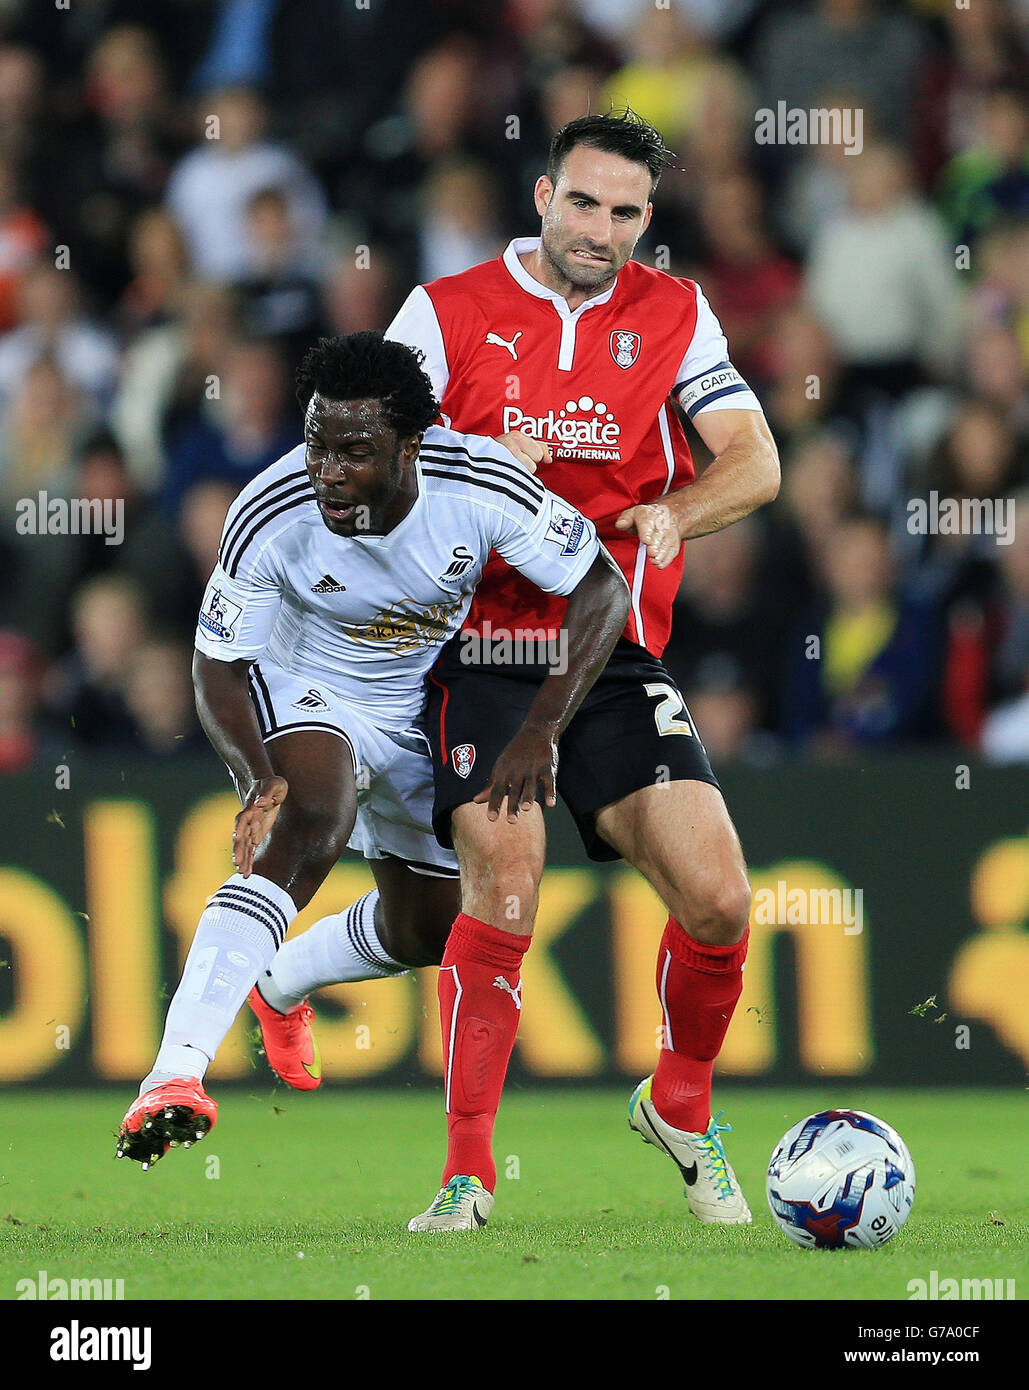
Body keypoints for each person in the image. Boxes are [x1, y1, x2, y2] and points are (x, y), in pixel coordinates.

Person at [268, 111, 780, 1232]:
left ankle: (681, 1105)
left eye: (628, 213)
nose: (603, 230)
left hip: (612, 649)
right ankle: (467, 1176)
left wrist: (672, 511)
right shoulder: (445, 312)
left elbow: (758, 462)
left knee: (721, 896)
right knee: (501, 887)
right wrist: (470, 461)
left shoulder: (674, 312)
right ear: (543, 197)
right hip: (482, 647)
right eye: (585, 203)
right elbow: (357, 468)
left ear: (649, 223)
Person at [115, 330, 629, 1169]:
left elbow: (599, 585)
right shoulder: (268, 509)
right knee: (311, 816)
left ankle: (280, 980)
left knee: (430, 929)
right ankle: (173, 1077)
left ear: (411, 446)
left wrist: (540, 725)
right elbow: (216, 660)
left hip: (426, 707)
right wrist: (255, 781)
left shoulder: (479, 484)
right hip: (309, 687)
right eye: (318, 444)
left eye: (355, 451)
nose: (329, 471)